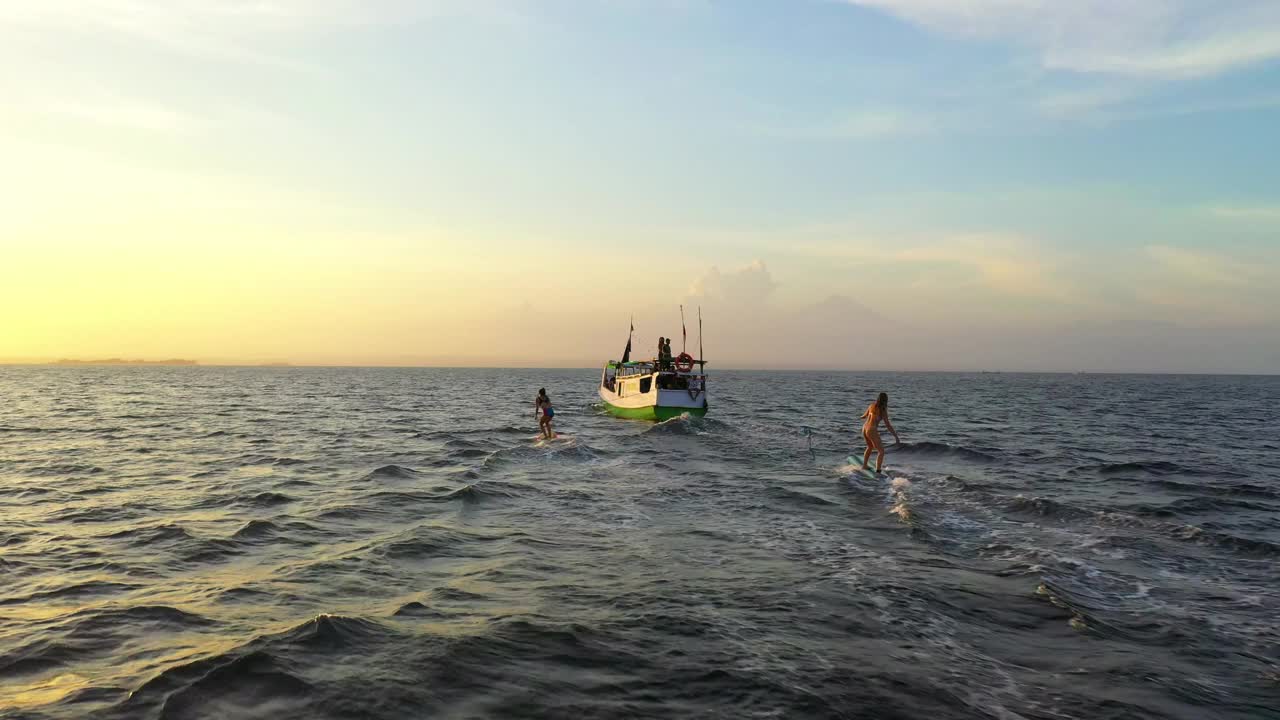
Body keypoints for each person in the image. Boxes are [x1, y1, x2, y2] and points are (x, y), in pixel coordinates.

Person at [860, 392, 900, 473]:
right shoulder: (883, 410)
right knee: (881, 451)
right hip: (871, 429)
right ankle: (878, 471)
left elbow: (863, 416)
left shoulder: (871, 405)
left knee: (870, 447)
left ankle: (864, 466)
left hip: (864, 428)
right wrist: (896, 436)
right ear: (886, 401)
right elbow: (888, 425)